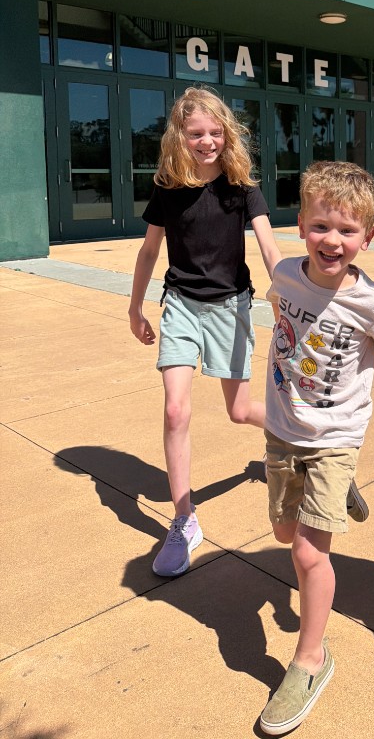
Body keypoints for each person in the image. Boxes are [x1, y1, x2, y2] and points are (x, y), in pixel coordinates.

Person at [258, 161, 374, 736]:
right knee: (283, 533)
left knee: (307, 554)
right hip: (283, 428)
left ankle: (310, 659)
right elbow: (281, 321)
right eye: (322, 226)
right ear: (301, 225)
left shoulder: (370, 301)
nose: (333, 240)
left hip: (336, 437)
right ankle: (338, 490)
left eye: (347, 231)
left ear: (366, 238)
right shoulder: (285, 276)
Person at [129, 86, 282, 578]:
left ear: (227, 134)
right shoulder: (168, 187)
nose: (207, 141)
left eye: (215, 132)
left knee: (239, 411)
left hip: (230, 308)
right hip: (180, 304)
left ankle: (298, 438)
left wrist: (285, 295)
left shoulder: (241, 186)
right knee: (176, 409)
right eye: (196, 133)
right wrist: (135, 307)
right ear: (180, 135)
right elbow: (149, 251)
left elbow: (269, 246)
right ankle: (183, 521)